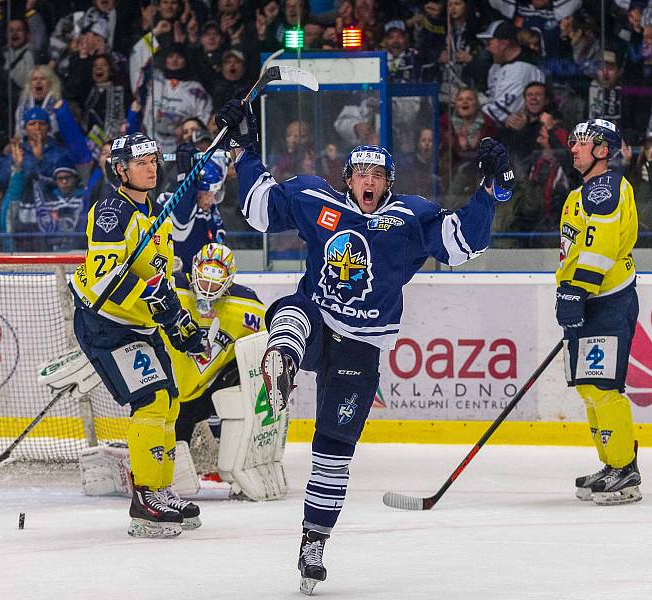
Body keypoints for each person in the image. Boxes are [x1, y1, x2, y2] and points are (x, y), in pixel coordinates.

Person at [214, 99, 514, 594]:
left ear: (387, 182)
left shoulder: (410, 218)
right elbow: (260, 209)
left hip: (360, 347)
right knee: (294, 309)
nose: (369, 181)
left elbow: (465, 244)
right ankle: (283, 360)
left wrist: (492, 190)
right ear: (348, 179)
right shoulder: (317, 201)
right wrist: (245, 147)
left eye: (378, 173)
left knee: (333, 451)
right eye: (361, 173)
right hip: (313, 321)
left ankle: (313, 544)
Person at [69, 132, 207, 538]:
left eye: (153, 161)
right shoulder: (113, 211)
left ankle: (160, 490)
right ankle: (143, 499)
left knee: (168, 402)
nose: (150, 167)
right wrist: (158, 301)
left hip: (137, 323)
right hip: (106, 323)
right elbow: (105, 279)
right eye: (141, 162)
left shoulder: (153, 214)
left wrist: (178, 321)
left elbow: (156, 279)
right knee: (149, 403)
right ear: (121, 168)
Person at [556, 118, 641, 506]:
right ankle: (610, 465)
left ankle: (625, 471)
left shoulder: (605, 188)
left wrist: (575, 291)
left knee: (604, 387)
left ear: (604, 150)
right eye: (572, 142)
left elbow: (602, 248)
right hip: (589, 299)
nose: (573, 148)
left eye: (583, 143)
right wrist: (570, 291)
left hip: (606, 300)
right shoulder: (581, 192)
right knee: (590, 387)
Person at [166, 243, 265, 448]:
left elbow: (264, 343)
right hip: (171, 382)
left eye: (215, 283)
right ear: (193, 271)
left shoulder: (247, 305)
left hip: (209, 386)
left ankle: (227, 446)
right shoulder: (173, 290)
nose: (207, 288)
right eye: (204, 279)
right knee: (171, 443)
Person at [167, 158, 227, 274]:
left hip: (204, 278)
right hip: (179, 277)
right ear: (195, 192)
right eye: (206, 193)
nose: (210, 199)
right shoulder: (174, 205)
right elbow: (180, 225)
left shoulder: (212, 211)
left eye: (213, 194)